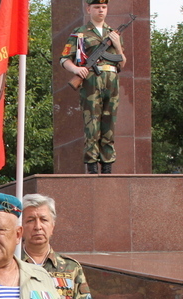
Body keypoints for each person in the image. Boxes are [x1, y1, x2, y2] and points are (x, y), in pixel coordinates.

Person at [61, 0, 126, 175]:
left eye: (104, 7)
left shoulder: (113, 33)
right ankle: (91, 165)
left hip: (111, 81)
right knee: (92, 124)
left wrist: (117, 44)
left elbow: (122, 62)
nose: (101, 10)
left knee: (109, 123)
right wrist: (76, 69)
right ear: (89, 9)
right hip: (91, 81)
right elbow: (65, 58)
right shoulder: (80, 33)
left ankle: (107, 166)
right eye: (97, 7)